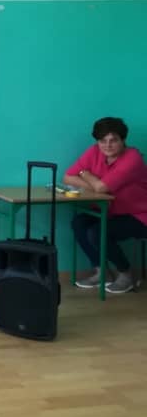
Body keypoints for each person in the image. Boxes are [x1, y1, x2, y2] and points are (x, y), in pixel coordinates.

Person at [65, 116, 147, 294]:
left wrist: (84, 173)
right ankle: (102, 272)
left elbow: (101, 187)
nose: (107, 145)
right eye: (103, 140)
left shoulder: (132, 158)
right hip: (110, 212)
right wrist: (95, 184)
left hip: (140, 215)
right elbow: (68, 177)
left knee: (97, 232)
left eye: (113, 140)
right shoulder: (94, 151)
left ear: (123, 140)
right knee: (79, 223)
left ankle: (126, 274)